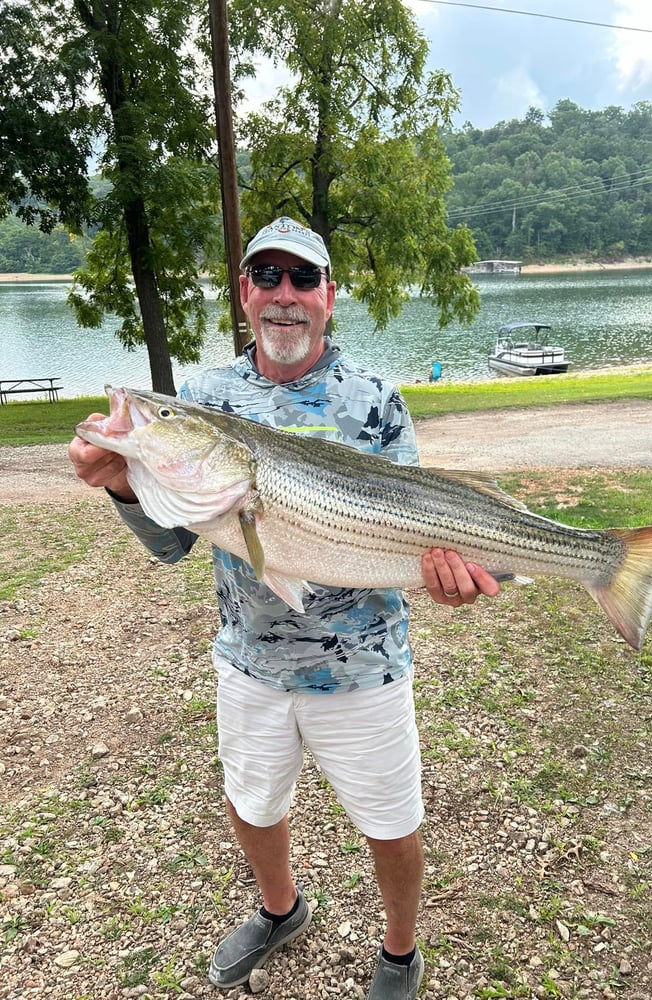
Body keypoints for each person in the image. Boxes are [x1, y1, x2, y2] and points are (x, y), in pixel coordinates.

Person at [68, 216, 500, 999]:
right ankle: (281, 910)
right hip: (251, 663)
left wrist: (448, 576)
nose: (285, 296)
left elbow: (422, 532)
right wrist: (125, 481)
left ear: (329, 296)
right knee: (253, 802)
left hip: (365, 667)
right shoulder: (205, 397)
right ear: (245, 295)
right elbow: (173, 545)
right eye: (266, 278)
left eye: (303, 279)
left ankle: (400, 953)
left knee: (391, 821)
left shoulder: (375, 400)